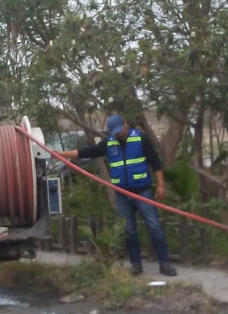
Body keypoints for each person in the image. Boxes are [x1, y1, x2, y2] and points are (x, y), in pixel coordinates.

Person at [58, 115, 177, 277]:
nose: (120, 134)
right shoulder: (109, 143)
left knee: (154, 226)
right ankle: (136, 264)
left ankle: (165, 263)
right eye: (116, 133)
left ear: (126, 125)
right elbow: (86, 152)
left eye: (121, 131)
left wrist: (161, 185)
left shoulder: (141, 139)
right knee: (129, 230)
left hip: (143, 192)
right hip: (122, 195)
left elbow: (155, 162)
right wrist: (61, 154)